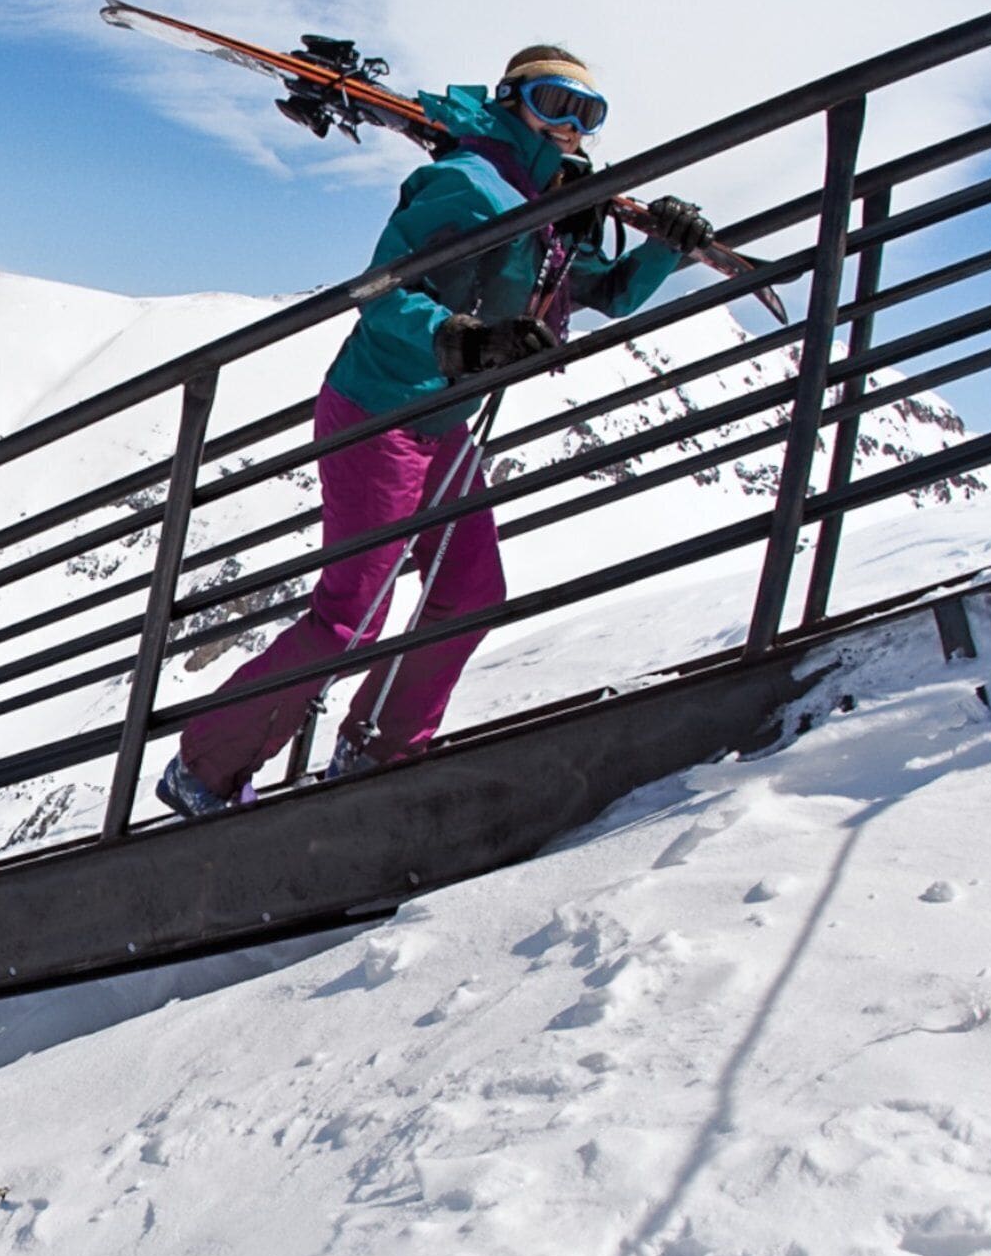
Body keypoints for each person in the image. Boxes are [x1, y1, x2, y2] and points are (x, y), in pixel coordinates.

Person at [160, 45, 714, 816]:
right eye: (557, 104)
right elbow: (382, 291)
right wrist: (463, 338)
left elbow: (607, 295)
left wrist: (664, 247)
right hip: (381, 409)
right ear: (513, 99)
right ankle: (202, 769)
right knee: (353, 617)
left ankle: (376, 750)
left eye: (589, 114)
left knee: (471, 590)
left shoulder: (552, 205)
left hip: (446, 420)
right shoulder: (463, 182)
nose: (572, 127)